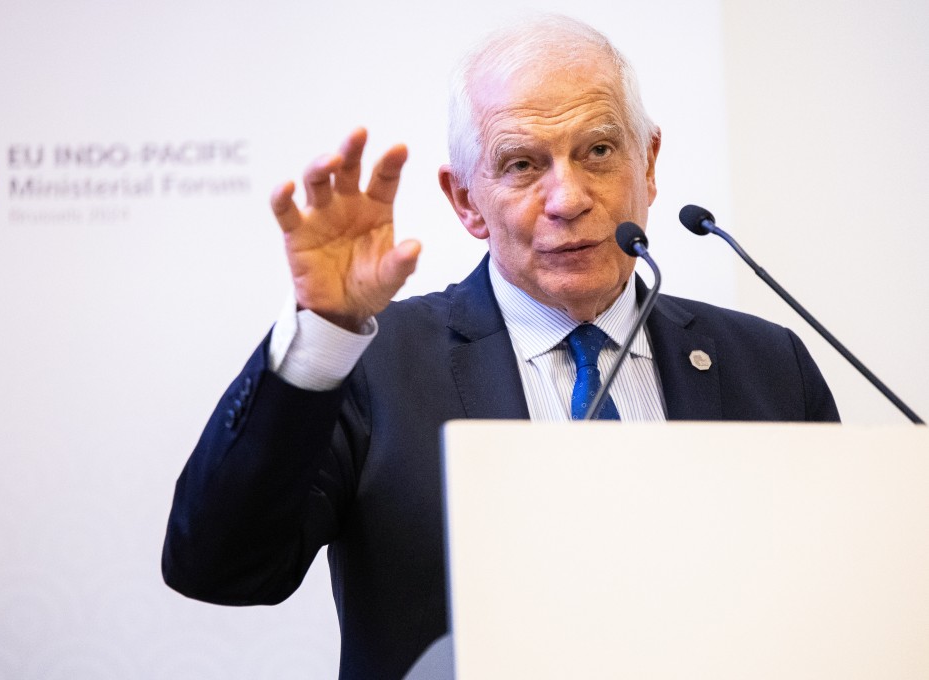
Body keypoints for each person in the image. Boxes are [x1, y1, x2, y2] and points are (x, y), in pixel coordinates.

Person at [162, 15, 839, 680]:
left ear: (649, 163)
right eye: (521, 164)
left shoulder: (769, 365)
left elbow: (832, 604)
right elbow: (222, 568)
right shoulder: (374, 366)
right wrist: (322, 334)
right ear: (465, 200)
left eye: (599, 151)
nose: (568, 198)